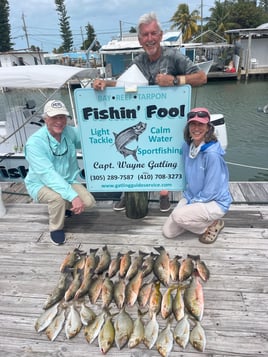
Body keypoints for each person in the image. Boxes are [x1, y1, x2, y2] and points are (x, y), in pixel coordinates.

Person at [93, 12, 207, 212]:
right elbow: (122, 84)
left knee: (167, 153)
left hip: (170, 117)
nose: (150, 38)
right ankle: (129, 192)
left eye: (153, 33)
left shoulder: (173, 56)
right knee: (142, 153)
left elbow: (201, 77)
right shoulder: (139, 61)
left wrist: (174, 80)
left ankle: (164, 193)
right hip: (144, 116)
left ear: (161, 35)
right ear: (140, 39)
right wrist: (105, 83)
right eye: (145, 35)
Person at [24, 100, 96, 245]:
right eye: (54, 117)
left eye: (62, 117)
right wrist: (72, 196)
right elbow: (47, 174)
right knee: (57, 198)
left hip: (67, 180)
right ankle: (56, 228)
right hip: (40, 184)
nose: (59, 121)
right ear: (45, 119)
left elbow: (87, 138)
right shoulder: (34, 143)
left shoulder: (68, 131)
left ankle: (63, 208)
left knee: (89, 202)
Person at [162, 107, 232, 244]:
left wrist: (191, 204)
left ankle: (214, 223)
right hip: (192, 196)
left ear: (208, 128)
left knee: (178, 216)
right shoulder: (186, 147)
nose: (196, 128)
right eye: (193, 124)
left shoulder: (212, 154)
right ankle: (194, 220)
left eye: (201, 124)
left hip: (214, 201)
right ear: (188, 127)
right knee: (168, 233)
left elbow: (211, 191)